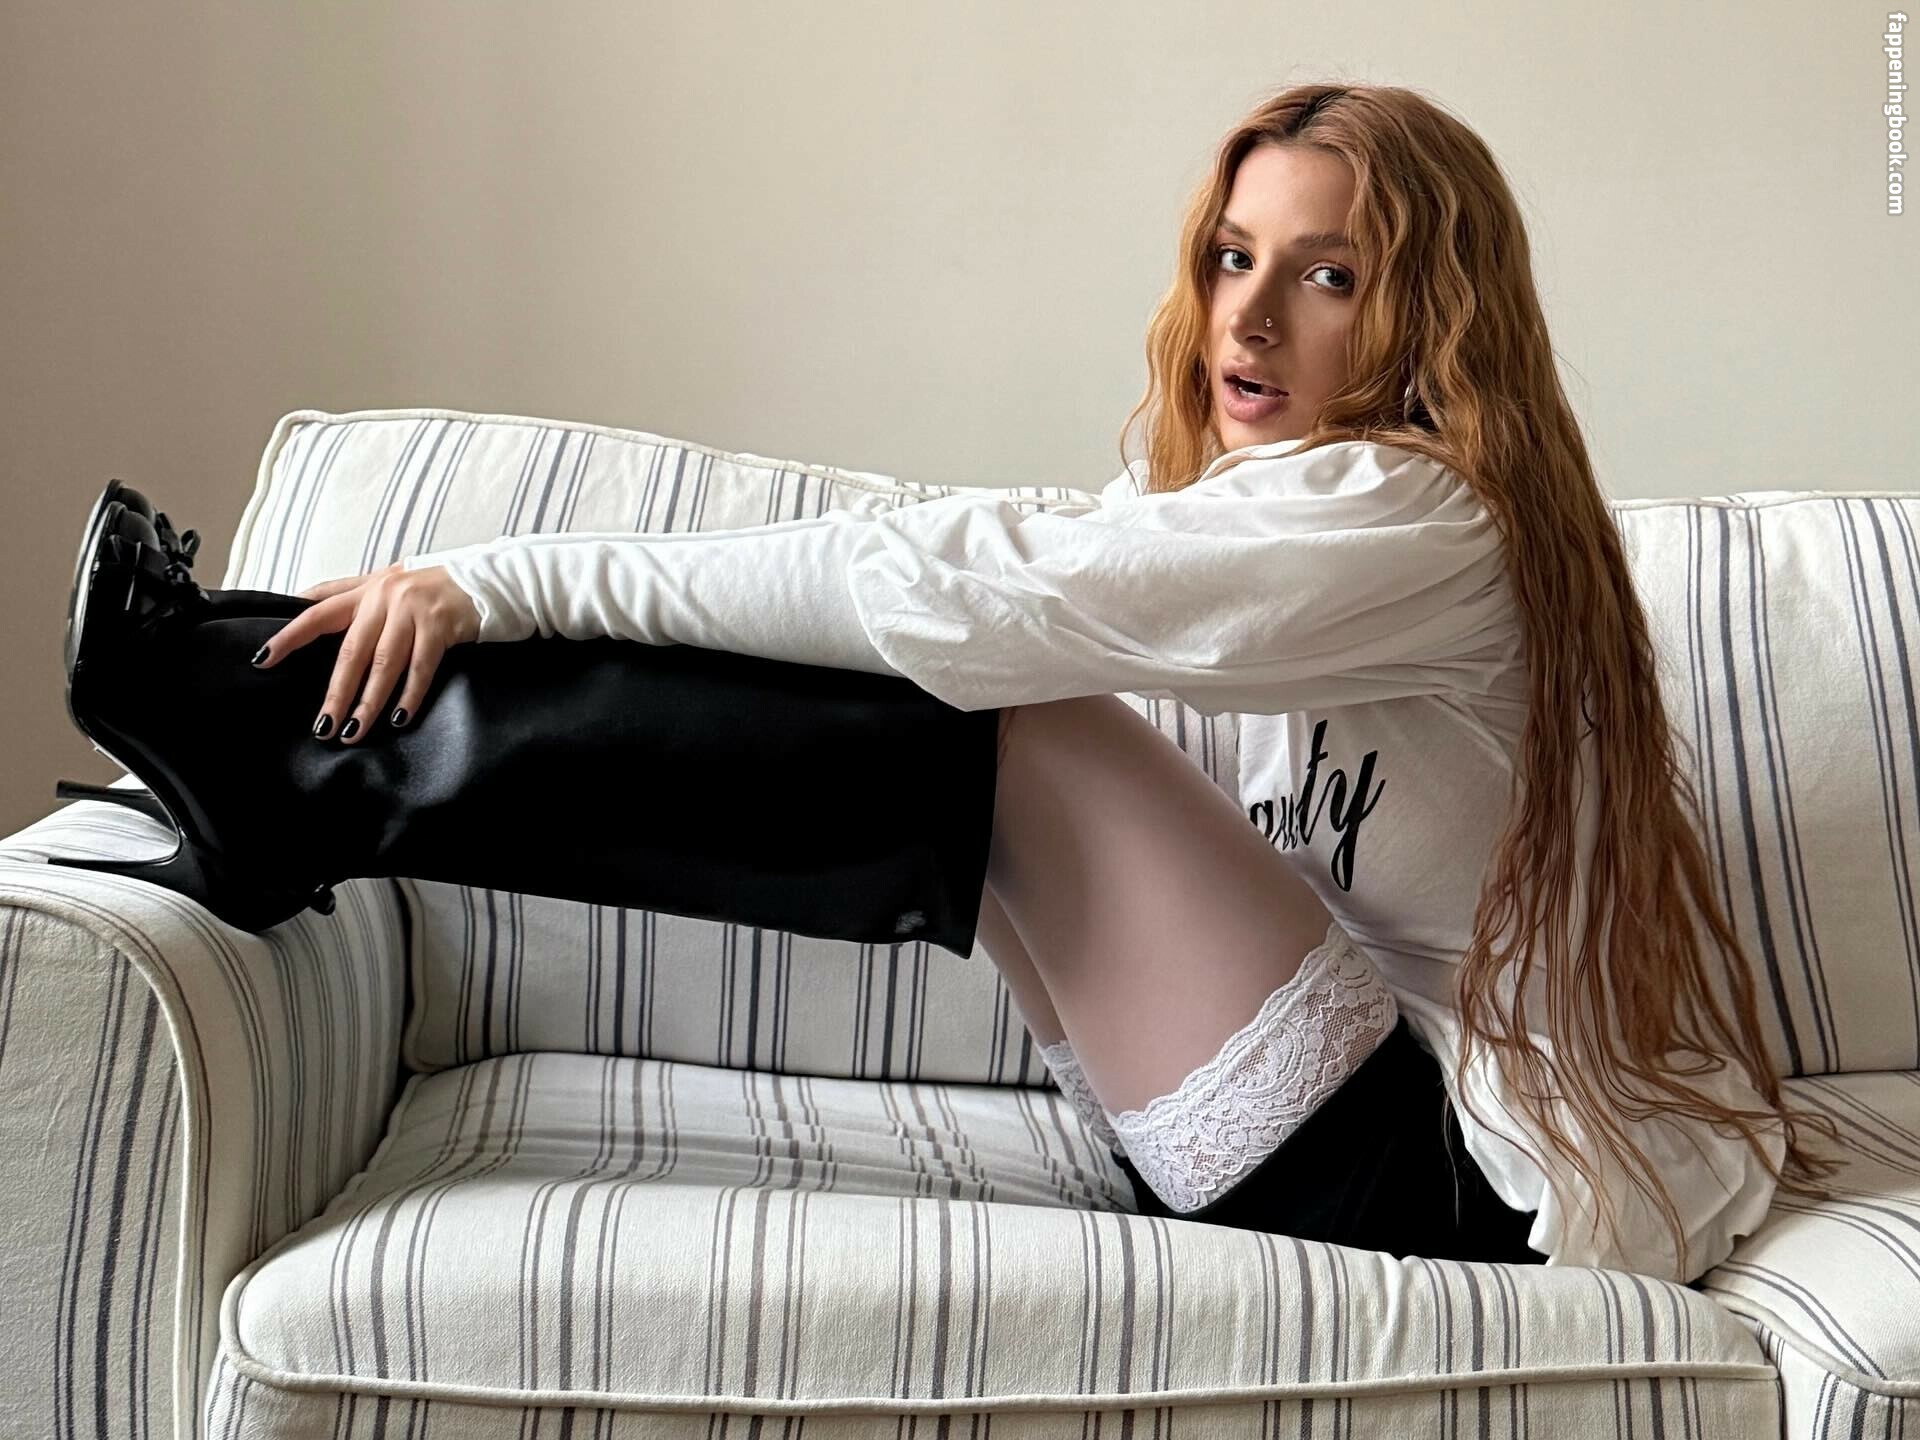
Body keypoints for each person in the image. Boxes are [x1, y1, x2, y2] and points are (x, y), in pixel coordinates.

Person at [253, 82, 1842, 1284]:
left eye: (1329, 277)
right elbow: (975, 576)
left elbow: (959, 593)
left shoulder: (1409, 518)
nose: (1247, 314)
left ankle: (333, 778)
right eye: (1232, 256)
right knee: (953, 678)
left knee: (1005, 700)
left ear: (1432, 313)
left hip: (1476, 1197)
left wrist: (507, 584)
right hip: (1333, 1131)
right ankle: (331, 770)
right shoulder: (1263, 508)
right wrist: (489, 599)